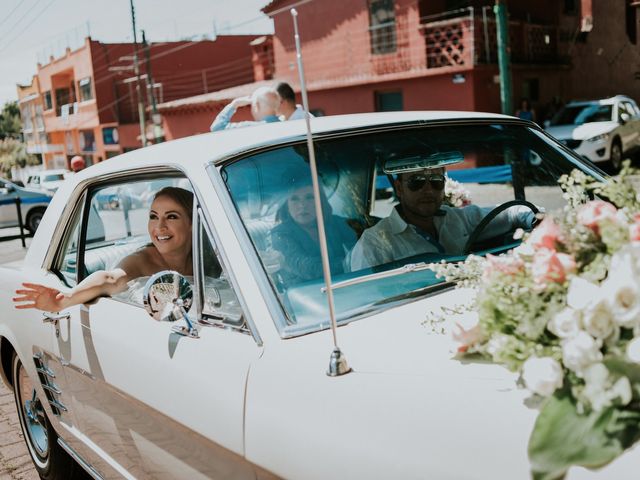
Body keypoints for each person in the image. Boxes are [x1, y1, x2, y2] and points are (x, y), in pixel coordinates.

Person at [13, 187, 194, 311]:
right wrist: (63, 300)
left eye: (171, 217)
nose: (159, 226)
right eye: (153, 217)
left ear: (193, 223)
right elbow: (110, 278)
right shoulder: (142, 261)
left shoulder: (207, 257)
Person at [349, 167, 537, 270]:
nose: (428, 190)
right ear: (399, 188)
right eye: (417, 182)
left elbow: (512, 213)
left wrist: (536, 220)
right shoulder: (374, 243)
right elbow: (366, 301)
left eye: (436, 182)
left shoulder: (458, 218)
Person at [270, 178, 356, 285]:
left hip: (346, 286)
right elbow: (309, 269)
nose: (302, 205)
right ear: (286, 206)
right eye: (294, 199)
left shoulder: (334, 222)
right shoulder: (280, 234)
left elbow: (363, 241)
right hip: (304, 296)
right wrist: (351, 262)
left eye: (309, 198)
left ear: (320, 202)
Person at [210, 86, 280, 132]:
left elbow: (217, 127)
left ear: (257, 105)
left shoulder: (250, 128)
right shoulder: (287, 124)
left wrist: (234, 104)